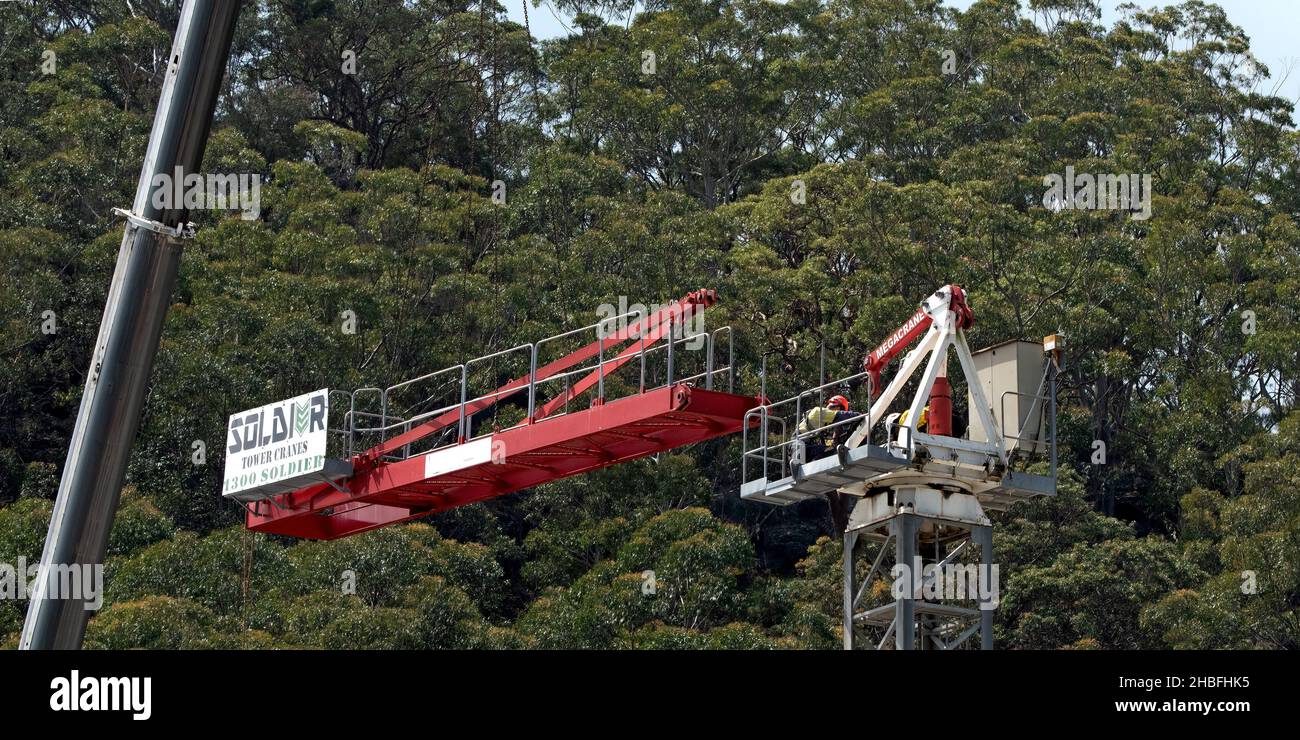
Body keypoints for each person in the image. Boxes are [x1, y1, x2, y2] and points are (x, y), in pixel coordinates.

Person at [796, 395, 860, 463]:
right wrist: (858, 415)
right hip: (799, 445)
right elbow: (840, 416)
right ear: (838, 408)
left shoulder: (824, 423)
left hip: (807, 449)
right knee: (833, 451)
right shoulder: (818, 412)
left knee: (829, 450)